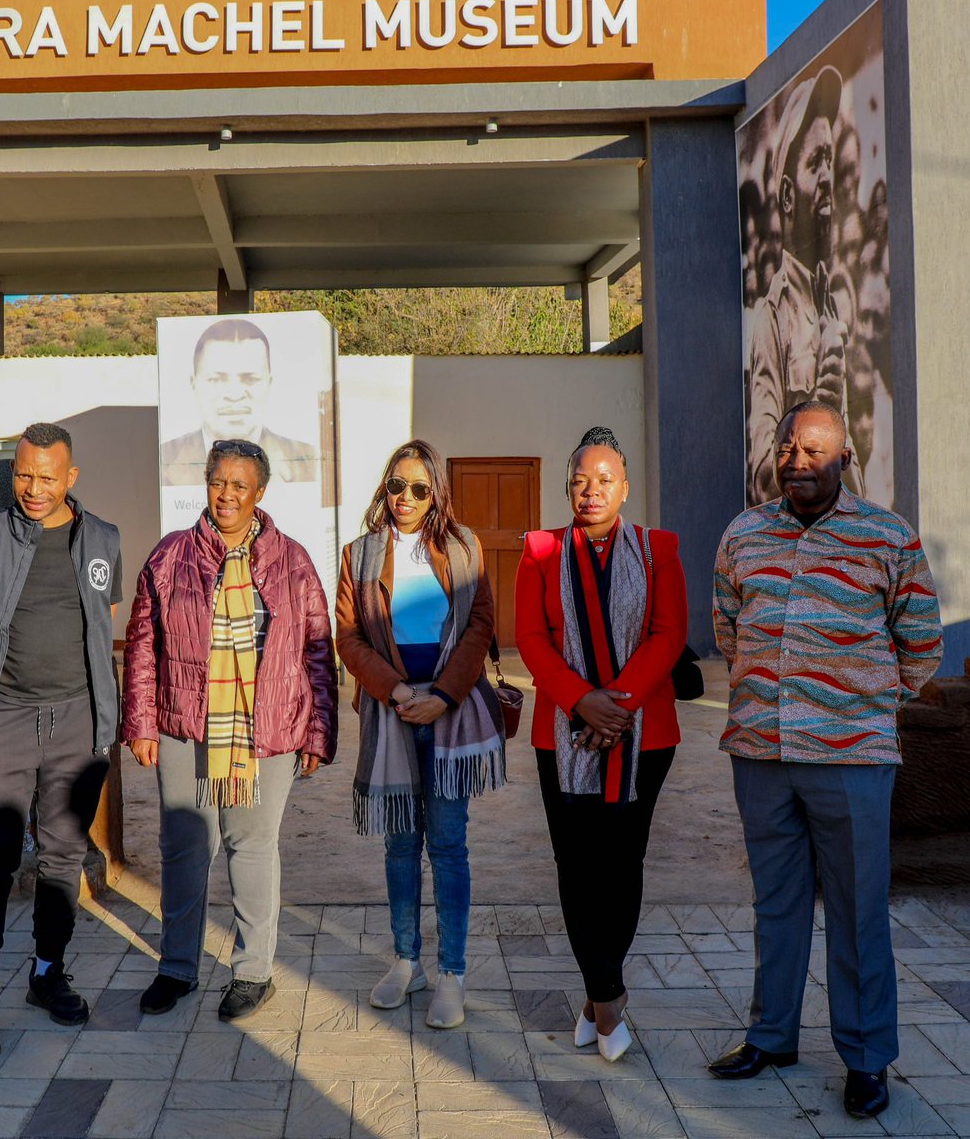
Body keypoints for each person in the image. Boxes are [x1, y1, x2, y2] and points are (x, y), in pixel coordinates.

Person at [709, 401, 943, 1120]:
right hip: (760, 752)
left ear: (846, 459)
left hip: (851, 760)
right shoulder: (745, 532)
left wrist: (859, 705)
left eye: (814, 451)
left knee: (856, 910)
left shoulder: (888, 538)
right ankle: (772, 1035)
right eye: (787, 449)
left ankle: (867, 1058)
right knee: (774, 904)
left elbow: (922, 645)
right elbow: (727, 626)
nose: (797, 462)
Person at [124, 438, 337, 1020]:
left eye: (239, 485)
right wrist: (141, 721)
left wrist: (319, 729)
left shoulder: (291, 562)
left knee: (252, 846)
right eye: (218, 481)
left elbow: (318, 649)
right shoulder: (170, 557)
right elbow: (143, 644)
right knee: (185, 847)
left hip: (265, 730)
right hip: (184, 725)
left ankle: (253, 972)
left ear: (260, 493)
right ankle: (177, 967)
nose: (226, 494)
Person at [0, 422, 124, 1060]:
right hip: (3, 720)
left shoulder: (103, 538)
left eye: (47, 477)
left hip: (77, 720)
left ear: (70, 478)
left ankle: (48, 971)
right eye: (23, 474)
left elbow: (103, 621)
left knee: (62, 855)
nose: (32, 487)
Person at [515, 426, 687, 1062]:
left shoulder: (658, 549)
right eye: (580, 481)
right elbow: (530, 638)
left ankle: (595, 998)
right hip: (562, 734)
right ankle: (610, 999)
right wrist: (580, 701)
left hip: (645, 736)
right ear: (567, 487)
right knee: (576, 865)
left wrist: (613, 708)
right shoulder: (538, 552)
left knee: (621, 863)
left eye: (603, 480)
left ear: (625, 488)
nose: (591, 491)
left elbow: (669, 634)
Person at [335, 440, 506, 1030]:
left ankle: (452, 973)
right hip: (392, 714)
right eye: (396, 486)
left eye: (418, 489)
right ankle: (406, 962)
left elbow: (482, 623)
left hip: (448, 714)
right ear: (385, 489)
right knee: (401, 847)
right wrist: (397, 691)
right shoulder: (358, 554)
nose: (405, 499)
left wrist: (442, 695)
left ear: (436, 494)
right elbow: (349, 637)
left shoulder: (463, 548)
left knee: (450, 845)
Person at [746, 65, 864, 505]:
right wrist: (816, 412)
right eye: (816, 163)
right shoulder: (772, 316)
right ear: (789, 195)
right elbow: (760, 476)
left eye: (830, 160)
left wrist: (839, 439)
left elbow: (857, 482)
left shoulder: (830, 306)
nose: (828, 176)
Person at [161, 318, 318, 485]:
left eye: (250, 379)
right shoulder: (163, 459)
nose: (234, 395)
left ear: (269, 383)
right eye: (216, 380)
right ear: (194, 384)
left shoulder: (309, 461)